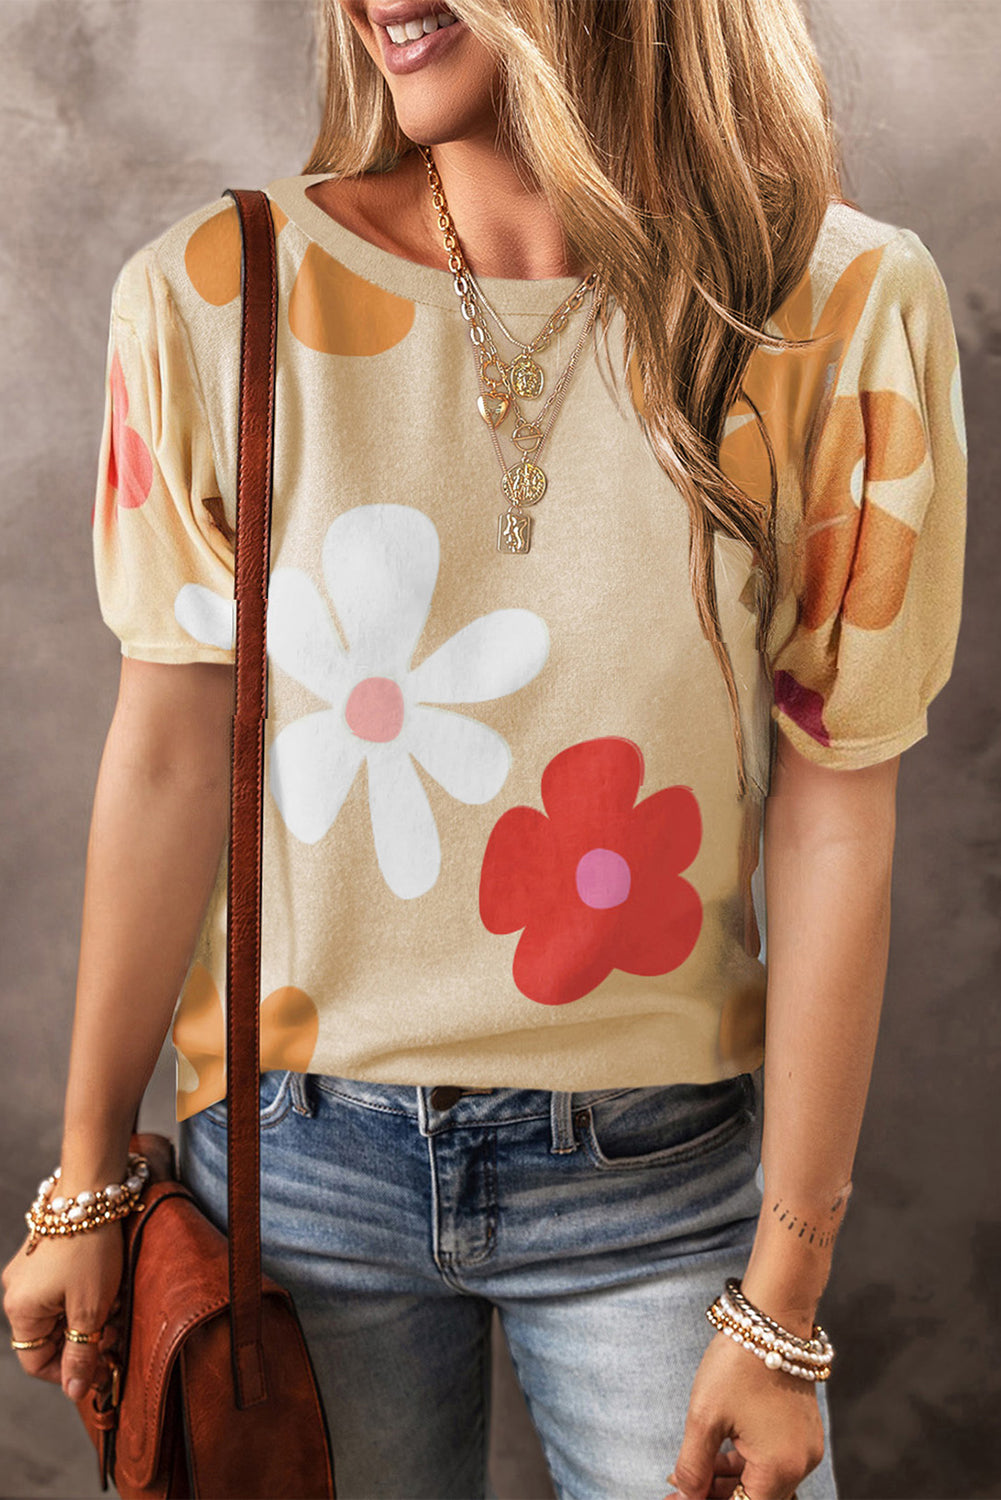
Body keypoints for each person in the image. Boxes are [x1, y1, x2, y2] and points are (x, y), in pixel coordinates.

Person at [3, 1, 967, 1497]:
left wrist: (780, 1302)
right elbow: (170, 760)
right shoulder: (220, 293)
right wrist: (83, 1182)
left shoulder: (839, 310)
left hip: (663, 1186)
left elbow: (839, 812)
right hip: (293, 1178)